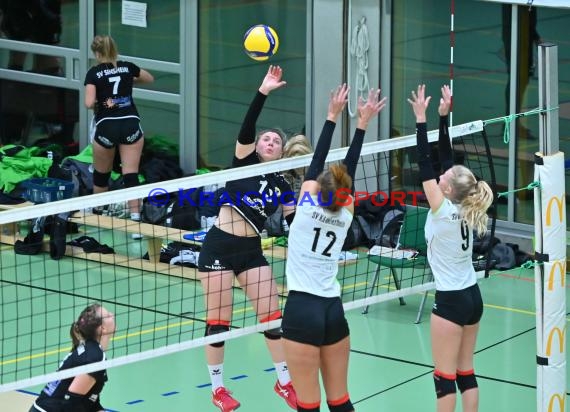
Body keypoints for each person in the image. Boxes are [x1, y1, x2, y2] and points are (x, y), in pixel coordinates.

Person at [197, 65, 298, 412]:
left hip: (251, 250)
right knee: (219, 323)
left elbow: (293, 221)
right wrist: (263, 91)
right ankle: (218, 389)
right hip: (219, 247)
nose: (269, 142)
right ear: (257, 146)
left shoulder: (283, 185)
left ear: (281, 153)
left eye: (276, 142)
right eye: (266, 139)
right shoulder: (243, 161)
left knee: (273, 317)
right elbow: (247, 126)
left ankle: (284, 382)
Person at [282, 84, 387, 412]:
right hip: (333, 311)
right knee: (340, 401)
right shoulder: (346, 214)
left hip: (301, 311)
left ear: (315, 189)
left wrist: (332, 116)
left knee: (308, 406)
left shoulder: (304, 207)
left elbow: (315, 166)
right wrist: (362, 125)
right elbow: (347, 173)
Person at [407, 84, 493, 412]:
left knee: (444, 378)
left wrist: (420, 120)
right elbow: (444, 160)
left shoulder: (441, 210)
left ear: (446, 187)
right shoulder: (469, 208)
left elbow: (426, 162)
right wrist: (443, 118)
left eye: (445, 176)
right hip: (472, 295)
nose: (441, 173)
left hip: (452, 300)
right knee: (465, 373)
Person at [84, 35, 154, 221]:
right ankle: (135, 217)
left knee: (101, 174)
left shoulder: (93, 73)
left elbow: (89, 102)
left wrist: (103, 98)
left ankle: (99, 214)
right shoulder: (127, 67)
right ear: (114, 49)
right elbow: (149, 78)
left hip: (107, 127)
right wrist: (128, 82)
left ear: (97, 53)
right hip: (130, 124)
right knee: (131, 174)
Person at [29, 303, 116, 412]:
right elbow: (70, 402)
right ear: (102, 328)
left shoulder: (92, 351)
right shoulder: (95, 356)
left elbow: (90, 400)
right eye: (108, 316)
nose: (112, 315)